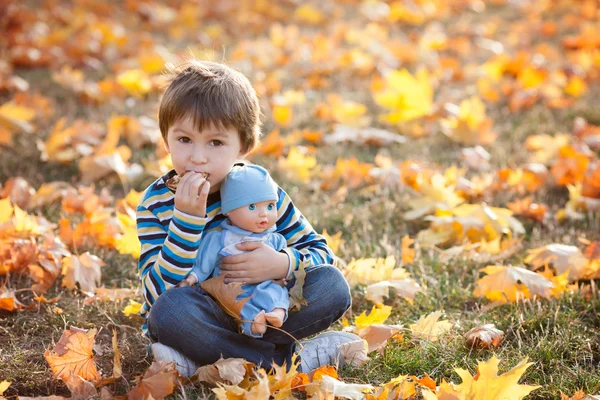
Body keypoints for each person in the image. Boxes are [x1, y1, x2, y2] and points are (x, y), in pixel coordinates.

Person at [135, 59, 360, 377]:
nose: (198, 157)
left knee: (332, 286)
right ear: (165, 138)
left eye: (215, 142)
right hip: (203, 315)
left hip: (268, 310)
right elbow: (156, 292)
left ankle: (210, 361)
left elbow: (323, 254)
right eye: (184, 139)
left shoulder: (262, 192)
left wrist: (281, 264)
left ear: (243, 146)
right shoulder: (156, 202)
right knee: (170, 311)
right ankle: (289, 361)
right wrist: (186, 222)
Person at [180, 164, 289, 337]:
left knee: (277, 292)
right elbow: (204, 264)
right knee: (239, 304)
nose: (264, 214)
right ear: (229, 211)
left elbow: (285, 268)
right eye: (252, 207)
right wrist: (193, 277)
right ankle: (254, 326)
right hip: (232, 288)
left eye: (270, 206)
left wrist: (282, 270)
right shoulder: (222, 238)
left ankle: (277, 313)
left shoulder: (274, 239)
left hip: (265, 284)